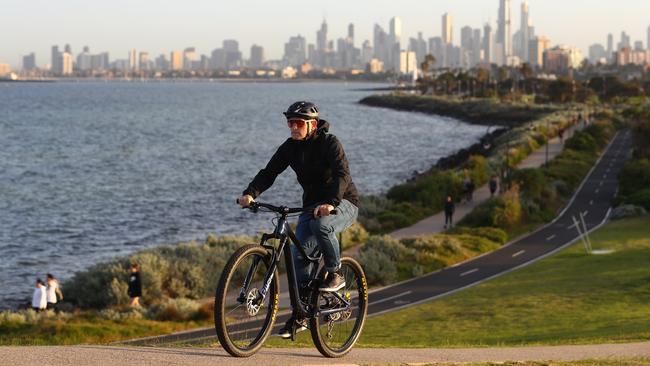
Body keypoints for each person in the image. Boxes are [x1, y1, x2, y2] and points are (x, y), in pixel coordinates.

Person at [238, 101, 359, 339]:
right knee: (297, 256)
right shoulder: (290, 147)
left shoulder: (329, 143)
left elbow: (342, 174)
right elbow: (269, 172)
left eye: (298, 123)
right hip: (311, 206)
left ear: (312, 125)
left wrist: (332, 203)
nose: (293, 128)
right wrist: (251, 193)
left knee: (322, 226)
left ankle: (335, 273)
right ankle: (302, 314)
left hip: (344, 202)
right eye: (290, 123)